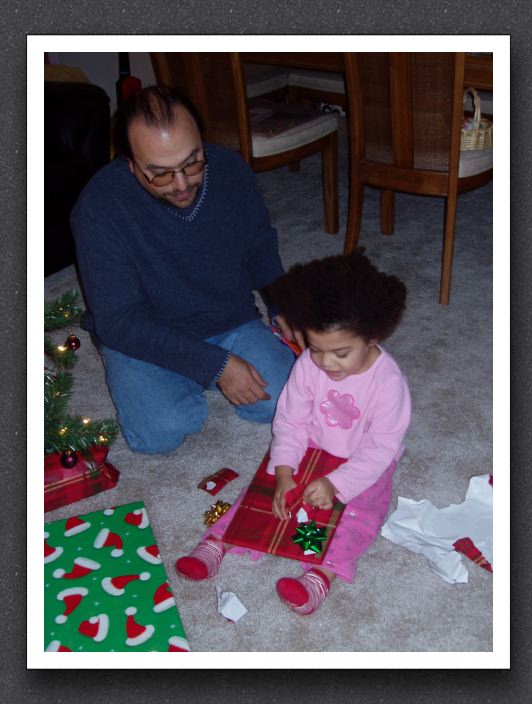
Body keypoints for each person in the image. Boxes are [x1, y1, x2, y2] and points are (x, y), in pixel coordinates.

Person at [175, 248, 411, 615]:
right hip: (311, 445)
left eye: (341, 353)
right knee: (265, 489)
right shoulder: (308, 363)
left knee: (358, 516)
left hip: (362, 460)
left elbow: (381, 448)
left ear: (373, 337)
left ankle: (321, 575)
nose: (326, 362)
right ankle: (218, 540)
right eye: (316, 349)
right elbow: (290, 420)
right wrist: (284, 470)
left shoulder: (388, 382)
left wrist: (338, 483)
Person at [70, 85, 296, 454]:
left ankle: (200, 373)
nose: (181, 184)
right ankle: (145, 370)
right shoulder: (99, 208)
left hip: (228, 318)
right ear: (129, 163)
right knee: (159, 434)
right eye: (159, 173)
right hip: (145, 334)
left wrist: (284, 302)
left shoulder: (231, 171)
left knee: (291, 401)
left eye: (192, 162)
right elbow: (120, 321)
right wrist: (218, 366)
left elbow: (258, 245)